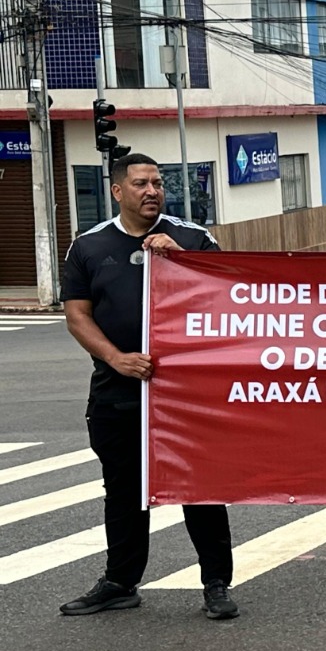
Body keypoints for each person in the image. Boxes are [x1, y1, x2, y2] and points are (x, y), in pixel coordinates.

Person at [58, 154, 238, 620]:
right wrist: (115, 358)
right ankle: (120, 581)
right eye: (140, 183)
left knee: (198, 489)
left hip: (186, 397)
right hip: (117, 394)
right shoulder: (90, 247)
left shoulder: (192, 238)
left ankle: (216, 583)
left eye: (157, 182)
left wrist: (181, 261)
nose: (152, 190)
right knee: (122, 492)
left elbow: (230, 299)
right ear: (118, 191)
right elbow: (77, 315)